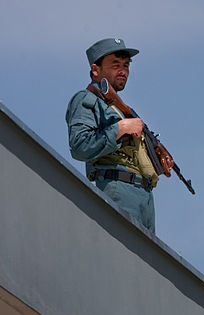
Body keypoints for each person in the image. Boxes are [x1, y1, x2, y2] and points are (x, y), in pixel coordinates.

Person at [66, 38, 167, 232]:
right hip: (118, 187)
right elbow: (79, 146)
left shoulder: (120, 109)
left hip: (144, 195)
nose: (123, 71)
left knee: (145, 260)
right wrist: (120, 129)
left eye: (126, 66)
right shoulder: (87, 99)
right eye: (115, 65)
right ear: (96, 70)